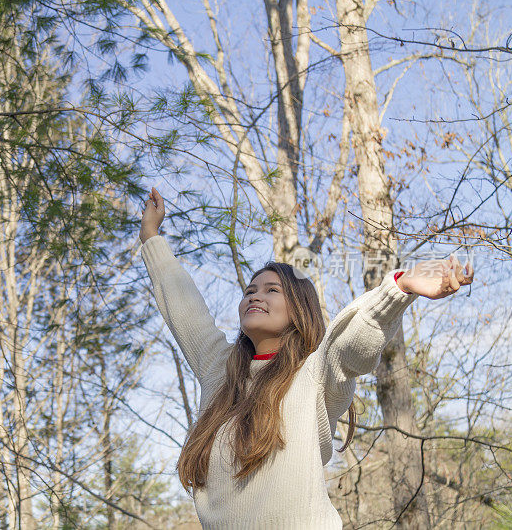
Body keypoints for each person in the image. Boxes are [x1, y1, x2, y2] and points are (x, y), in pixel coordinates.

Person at [138, 187, 473, 529]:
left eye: (272, 290)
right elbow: (185, 307)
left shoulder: (313, 375)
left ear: (299, 308)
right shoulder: (219, 373)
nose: (255, 295)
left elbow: (350, 342)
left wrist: (399, 289)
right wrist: (151, 237)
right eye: (250, 290)